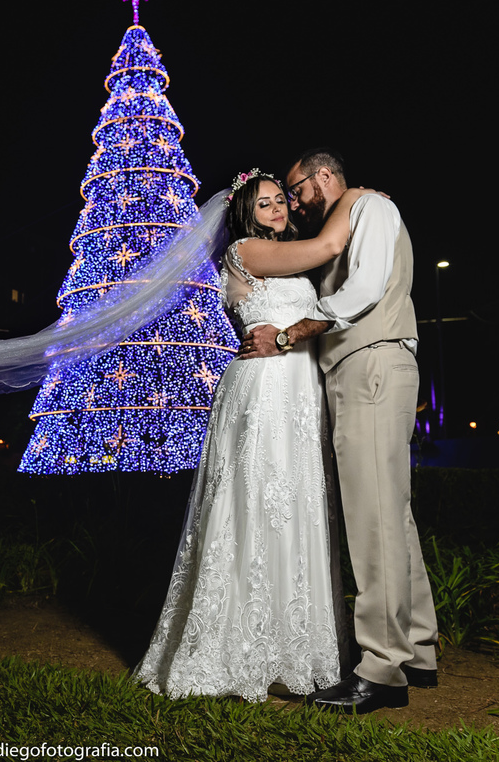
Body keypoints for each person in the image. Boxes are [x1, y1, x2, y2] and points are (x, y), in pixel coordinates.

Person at [135, 170, 370, 702]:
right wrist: (352, 195)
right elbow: (332, 242)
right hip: (264, 388)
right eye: (265, 204)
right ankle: (233, 650)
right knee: (255, 504)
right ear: (245, 214)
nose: (278, 210)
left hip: (298, 389)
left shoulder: (275, 251)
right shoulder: (247, 251)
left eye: (281, 201)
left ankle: (297, 648)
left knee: (297, 505)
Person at [242, 148, 439, 714]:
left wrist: (289, 334)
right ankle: (418, 650)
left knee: (373, 519)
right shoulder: (340, 222)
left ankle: (380, 671)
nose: (296, 204)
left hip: (373, 364)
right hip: (361, 369)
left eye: (298, 191)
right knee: (391, 515)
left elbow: (365, 289)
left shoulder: (369, 207)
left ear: (321, 176)